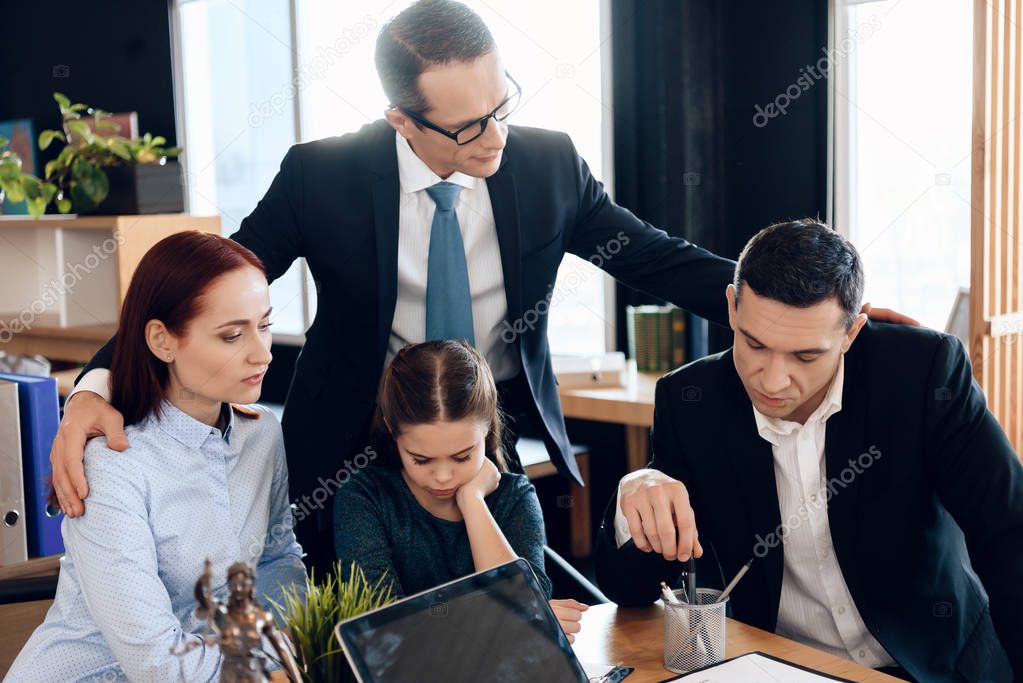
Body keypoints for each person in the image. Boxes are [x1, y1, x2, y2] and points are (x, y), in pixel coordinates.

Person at [49, 0, 911, 579]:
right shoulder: (325, 177)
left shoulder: (544, 162)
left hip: (489, 438)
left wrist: (812, 318)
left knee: (516, 612)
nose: (494, 133)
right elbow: (207, 282)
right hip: (351, 451)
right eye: (465, 126)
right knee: (363, 633)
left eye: (501, 104)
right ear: (400, 119)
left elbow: (654, 259)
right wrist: (98, 380)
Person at [594, 220, 1023, 682]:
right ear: (732, 308)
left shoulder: (922, 373)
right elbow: (630, 591)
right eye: (755, 344)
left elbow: (1007, 531)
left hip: (933, 665)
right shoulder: (690, 400)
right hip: (781, 666)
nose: (773, 381)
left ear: (852, 332)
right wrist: (631, 499)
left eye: (806, 356)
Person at [6, 232, 305, 682]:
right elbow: (157, 663)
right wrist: (264, 666)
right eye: (231, 335)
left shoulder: (261, 434)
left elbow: (277, 559)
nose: (261, 353)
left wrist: (282, 647)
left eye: (263, 325)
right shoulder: (113, 466)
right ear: (162, 341)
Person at [333, 340, 587, 643]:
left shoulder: (515, 497)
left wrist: (473, 501)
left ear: (487, 429)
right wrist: (507, 619)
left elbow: (531, 614)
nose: (442, 477)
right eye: (421, 459)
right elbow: (384, 629)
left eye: (462, 456)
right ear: (391, 428)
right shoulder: (363, 499)